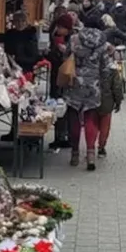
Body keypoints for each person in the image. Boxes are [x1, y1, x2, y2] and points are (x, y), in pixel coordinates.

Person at [64, 24, 113, 171]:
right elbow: (105, 68)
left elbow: (66, 58)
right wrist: (102, 82)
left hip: (75, 84)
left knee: (74, 118)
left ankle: (74, 154)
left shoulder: (74, 40)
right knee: (91, 117)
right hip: (94, 85)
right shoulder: (103, 44)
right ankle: (91, 154)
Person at [0, 12, 40, 141]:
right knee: (13, 102)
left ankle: (27, 133)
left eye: (22, 21)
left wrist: (18, 58)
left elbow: (34, 57)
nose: (19, 24)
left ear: (26, 21)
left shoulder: (31, 35)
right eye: (17, 21)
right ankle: (13, 130)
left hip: (26, 72)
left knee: (25, 102)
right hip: (11, 71)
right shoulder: (11, 34)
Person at [47, 11, 77, 150]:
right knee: (56, 105)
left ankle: (68, 137)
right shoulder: (55, 37)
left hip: (67, 77)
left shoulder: (73, 39)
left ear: (67, 28)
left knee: (67, 107)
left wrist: (64, 52)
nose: (58, 29)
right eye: (58, 27)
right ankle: (58, 136)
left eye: (61, 27)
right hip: (56, 76)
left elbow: (74, 59)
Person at [95, 62, 125, 157]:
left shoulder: (90, 65)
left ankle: (90, 147)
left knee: (91, 124)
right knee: (105, 126)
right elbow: (117, 87)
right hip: (106, 102)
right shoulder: (112, 69)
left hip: (91, 100)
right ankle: (101, 147)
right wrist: (118, 101)